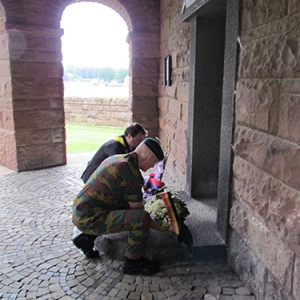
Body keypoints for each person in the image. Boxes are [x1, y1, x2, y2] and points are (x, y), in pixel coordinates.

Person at [72, 138, 169, 275]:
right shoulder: (131, 173)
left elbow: (125, 196)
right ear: (149, 157)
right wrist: (158, 226)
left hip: (81, 210)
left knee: (123, 202)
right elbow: (138, 210)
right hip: (88, 218)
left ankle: (86, 239)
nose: (152, 167)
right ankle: (133, 263)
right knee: (141, 219)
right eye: (154, 163)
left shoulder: (119, 159)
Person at [80, 123, 147, 183]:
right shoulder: (114, 146)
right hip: (92, 178)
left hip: (103, 176)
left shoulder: (130, 145)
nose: (140, 143)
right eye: (138, 140)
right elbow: (119, 168)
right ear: (129, 137)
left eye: (142, 140)